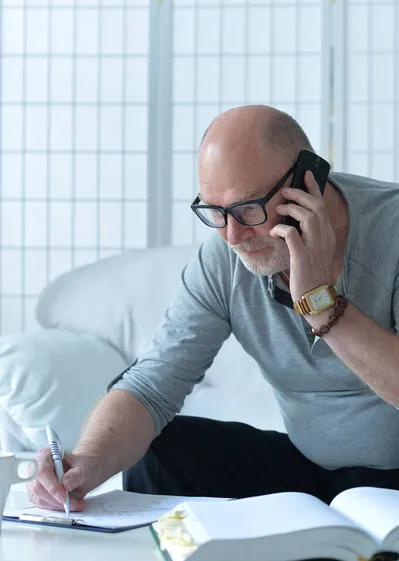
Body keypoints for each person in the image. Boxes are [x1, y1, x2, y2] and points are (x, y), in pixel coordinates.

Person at [29, 105, 399, 511]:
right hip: (310, 470)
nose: (233, 235)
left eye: (246, 209)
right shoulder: (224, 260)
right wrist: (85, 462)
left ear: (308, 182)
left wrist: (319, 301)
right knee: (161, 451)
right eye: (215, 213)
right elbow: (154, 385)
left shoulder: (392, 226)